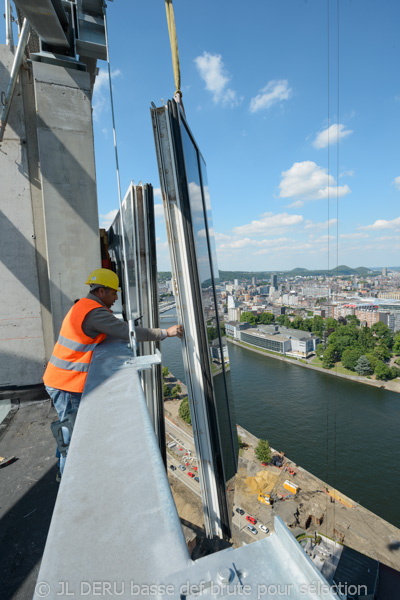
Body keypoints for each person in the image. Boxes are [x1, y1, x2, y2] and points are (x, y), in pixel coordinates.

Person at [43, 268, 183, 478]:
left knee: (66, 429)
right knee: (71, 437)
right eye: (113, 293)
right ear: (101, 292)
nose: (116, 297)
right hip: (67, 384)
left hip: (61, 379)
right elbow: (129, 333)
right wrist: (165, 332)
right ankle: (66, 479)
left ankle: (62, 469)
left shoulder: (83, 305)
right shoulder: (94, 312)